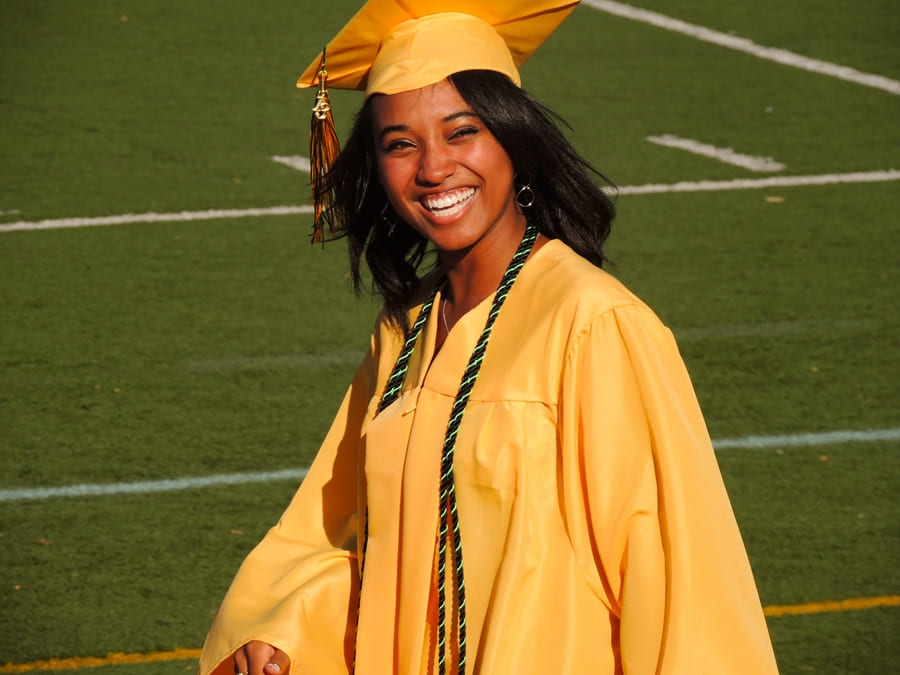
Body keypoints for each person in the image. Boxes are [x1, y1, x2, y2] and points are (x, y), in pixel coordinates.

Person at [199, 1, 779, 673]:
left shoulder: (593, 325)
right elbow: (344, 539)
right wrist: (284, 628)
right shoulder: (403, 335)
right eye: (400, 144)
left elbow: (682, 578)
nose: (434, 168)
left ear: (513, 137)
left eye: (461, 131)